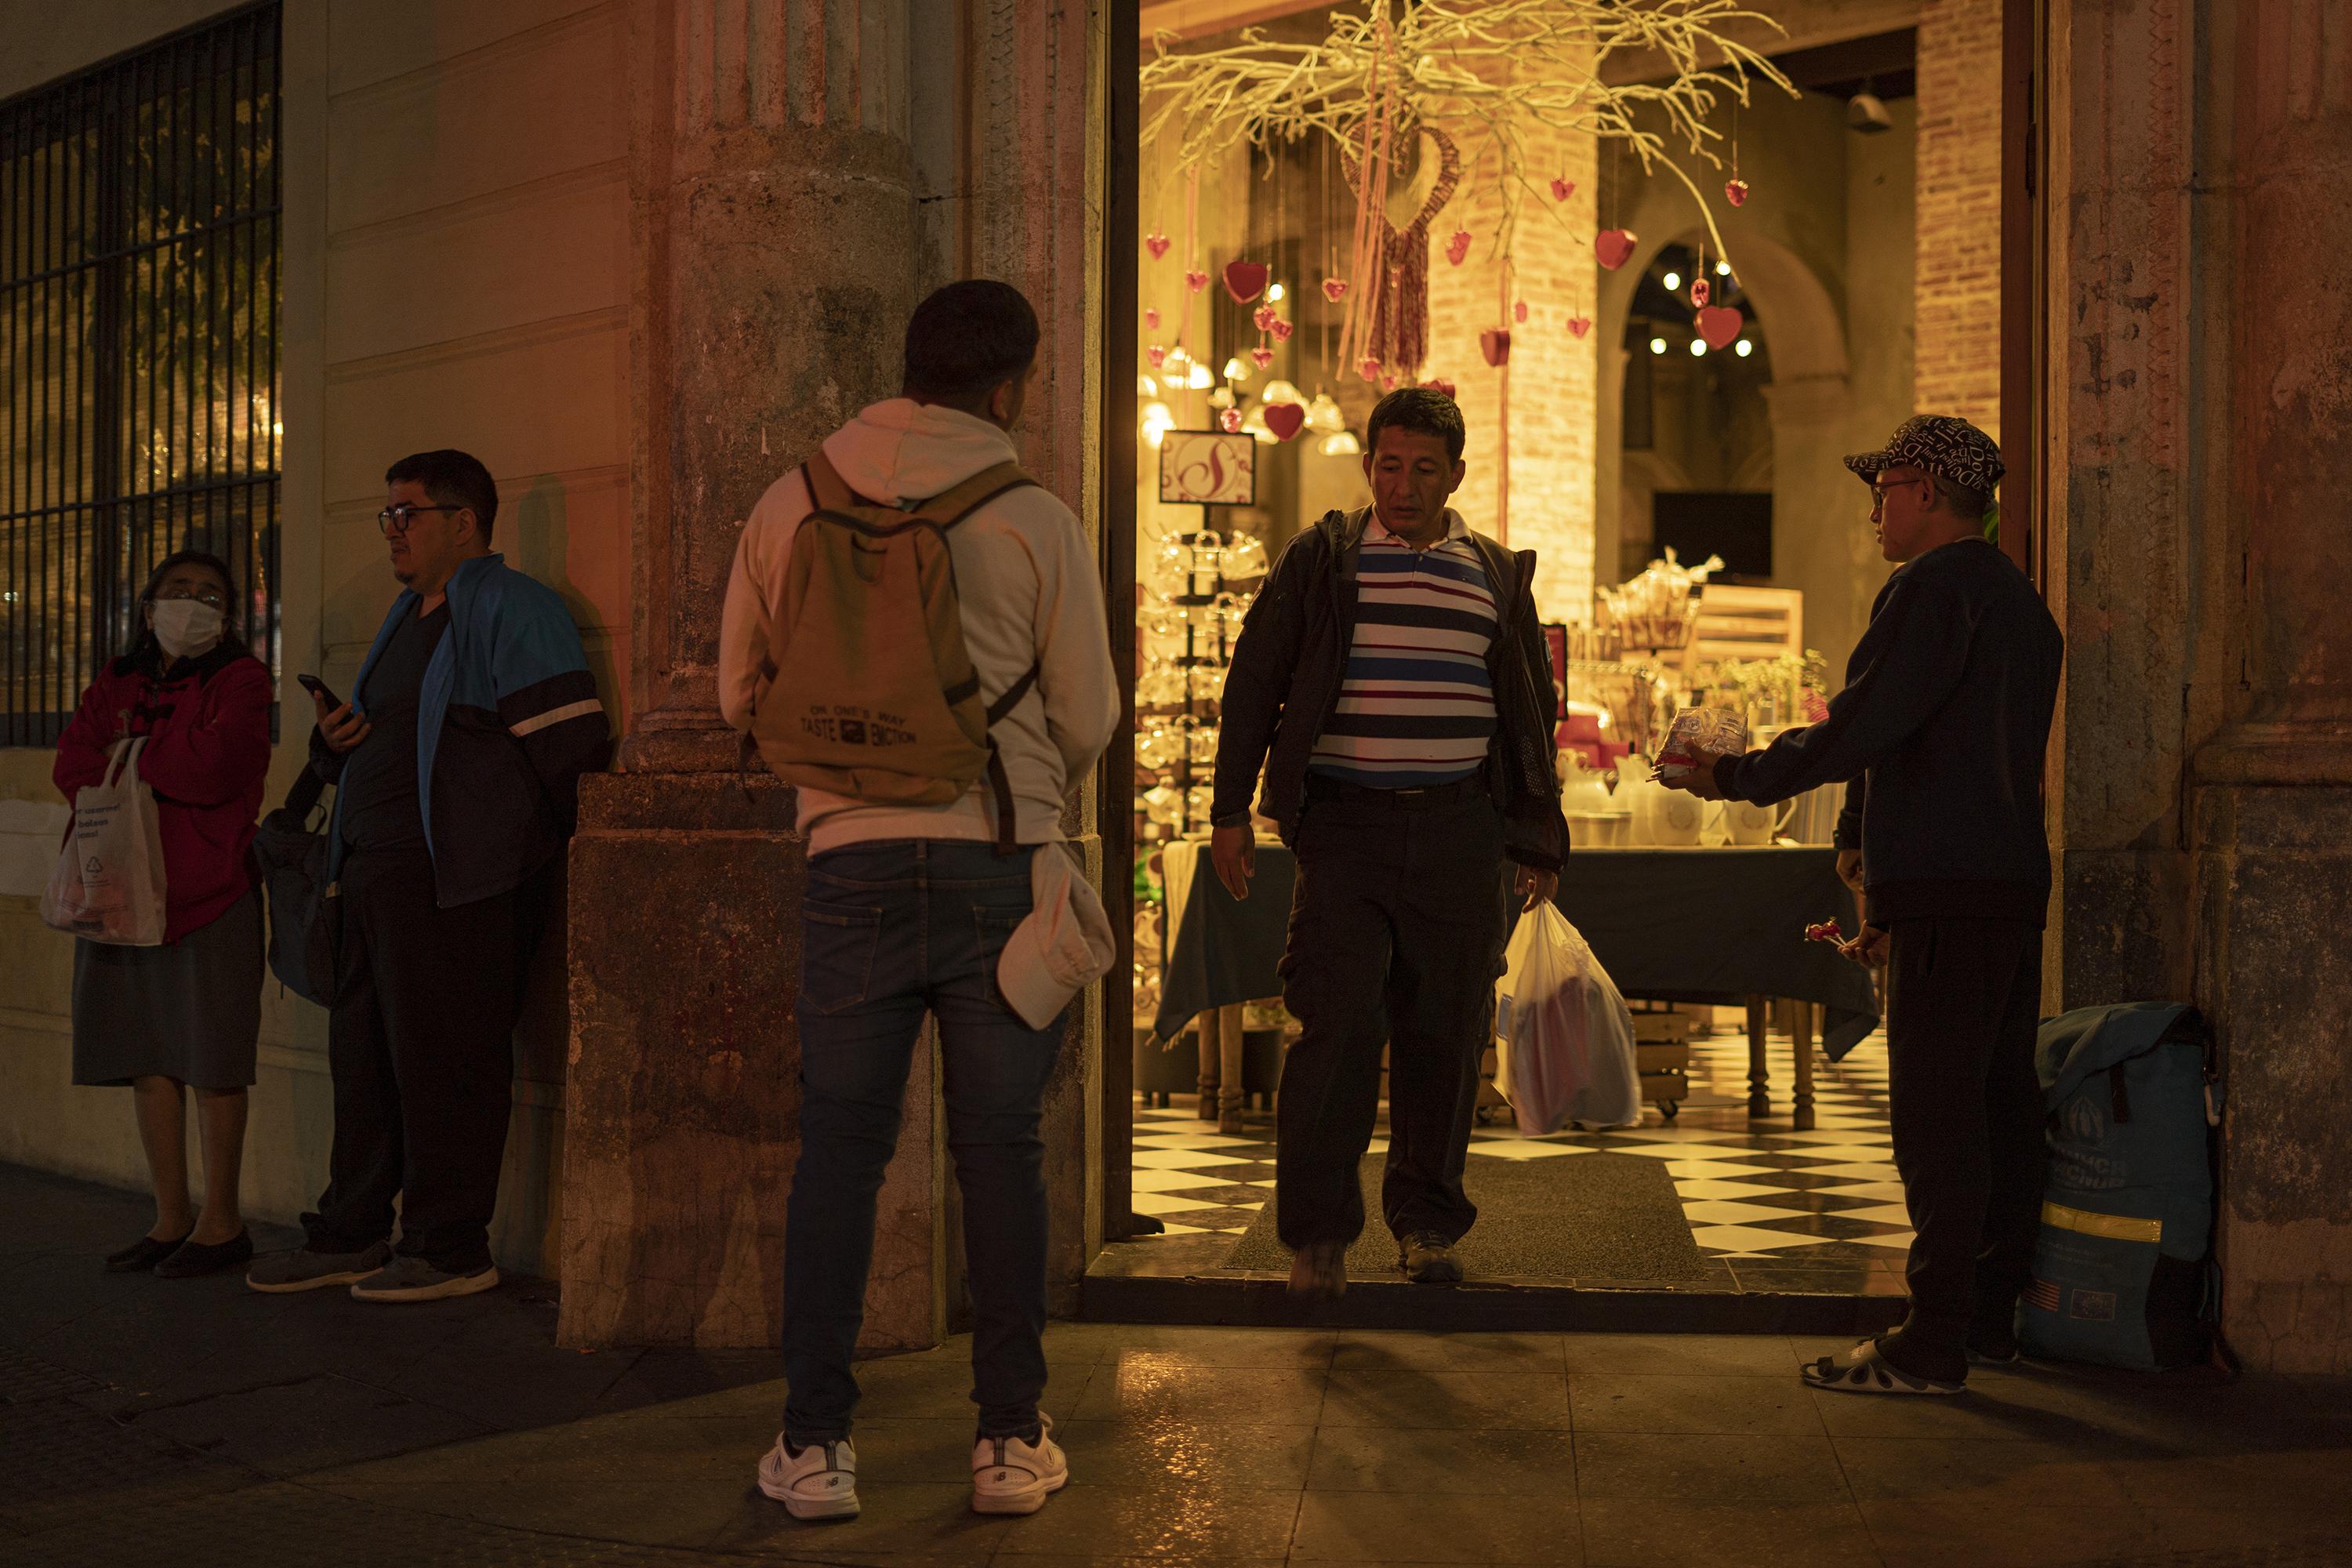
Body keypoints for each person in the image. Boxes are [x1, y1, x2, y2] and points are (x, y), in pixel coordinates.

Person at [718, 281, 1118, 1521]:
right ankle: (1007, 1440)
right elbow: (1091, 712)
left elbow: (741, 694)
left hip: (849, 865)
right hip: (1001, 857)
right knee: (1000, 1153)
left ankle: (817, 1448)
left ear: (908, 366)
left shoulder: (791, 498)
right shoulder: (1036, 516)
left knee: (839, 1150)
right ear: (1009, 387)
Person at [1667, 414, 2063, 1396]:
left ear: (1928, 490)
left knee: (1938, 1120)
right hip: (2005, 886)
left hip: (1947, 891)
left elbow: (1862, 724)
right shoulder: (2021, 604)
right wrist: (1862, 846)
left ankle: (1932, 1339)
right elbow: (1926, 738)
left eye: (1884, 487)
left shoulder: (1930, 590)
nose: (1875, 509)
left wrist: (1731, 775)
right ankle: (1991, 1317)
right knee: (1999, 1105)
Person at [1208, 386, 1567, 1299]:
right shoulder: (1323, 559)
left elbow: (1532, 710)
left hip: (1461, 830)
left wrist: (1535, 831)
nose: (1402, 484)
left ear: (1456, 474)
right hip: (1346, 831)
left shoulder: (1493, 572)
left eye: (1424, 468)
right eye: (1388, 464)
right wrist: (1228, 809)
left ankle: (1427, 1223)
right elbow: (1256, 680)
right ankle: (1319, 1236)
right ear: (1368, 465)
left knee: (1444, 1035)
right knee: (1333, 1029)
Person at [246, 450, 609, 1303]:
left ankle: (449, 1245)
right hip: (376, 873)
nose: (393, 531)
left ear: (464, 521)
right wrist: (332, 745)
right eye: (388, 515)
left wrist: (525, 857)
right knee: (366, 1062)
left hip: (458, 883)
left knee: (446, 1063)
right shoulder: (408, 615)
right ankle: (355, 1228)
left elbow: (570, 748)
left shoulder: (515, 606)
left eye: (407, 513)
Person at [56, 551, 272, 1279]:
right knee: (149, 1059)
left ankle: (223, 1222)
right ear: (148, 607)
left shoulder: (241, 679)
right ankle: (170, 1215)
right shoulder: (114, 680)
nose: (192, 603)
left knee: (211, 1060)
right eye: (177, 591)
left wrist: (132, 753)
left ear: (230, 614)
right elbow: (73, 766)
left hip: (209, 895)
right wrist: (160, 754)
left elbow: (218, 767)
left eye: (210, 593)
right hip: (121, 893)